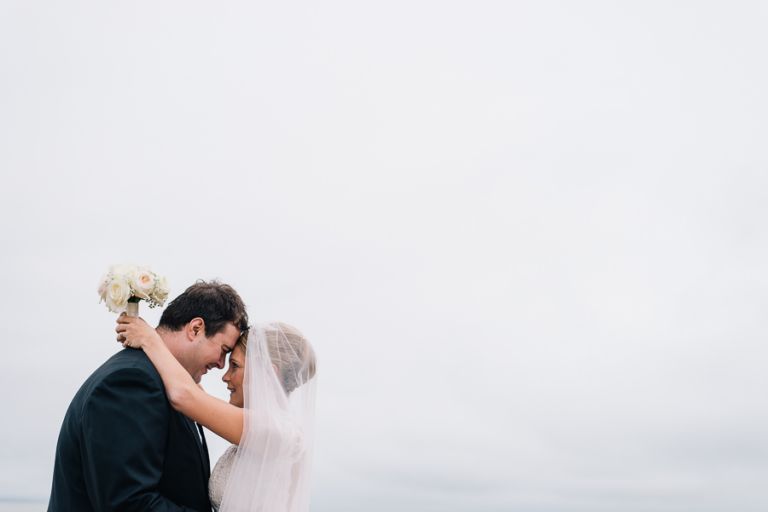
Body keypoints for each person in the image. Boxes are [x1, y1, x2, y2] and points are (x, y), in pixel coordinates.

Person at [48, 281, 249, 511]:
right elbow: (128, 503)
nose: (221, 364)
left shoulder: (170, 385)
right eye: (223, 350)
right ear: (195, 328)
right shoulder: (131, 382)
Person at [116, 316, 317, 512]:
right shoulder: (266, 426)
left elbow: (185, 396)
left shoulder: (278, 431)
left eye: (235, 366)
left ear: (267, 373)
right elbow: (194, 393)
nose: (225, 376)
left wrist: (150, 339)